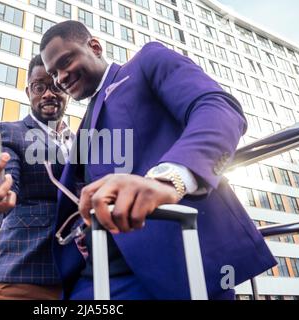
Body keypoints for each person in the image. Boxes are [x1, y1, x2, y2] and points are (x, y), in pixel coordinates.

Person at [39, 21, 277, 300]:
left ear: (94, 46)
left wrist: (169, 179)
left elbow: (218, 107)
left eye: (65, 62)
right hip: (93, 276)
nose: (60, 78)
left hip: (171, 268)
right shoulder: (84, 121)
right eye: (53, 73)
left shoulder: (146, 62)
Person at [0, 54, 73, 299]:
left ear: (67, 89)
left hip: (82, 279)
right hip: (24, 276)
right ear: (28, 92)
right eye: (39, 87)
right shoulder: (9, 132)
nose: (48, 94)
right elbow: (4, 190)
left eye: (55, 86)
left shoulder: (84, 139)